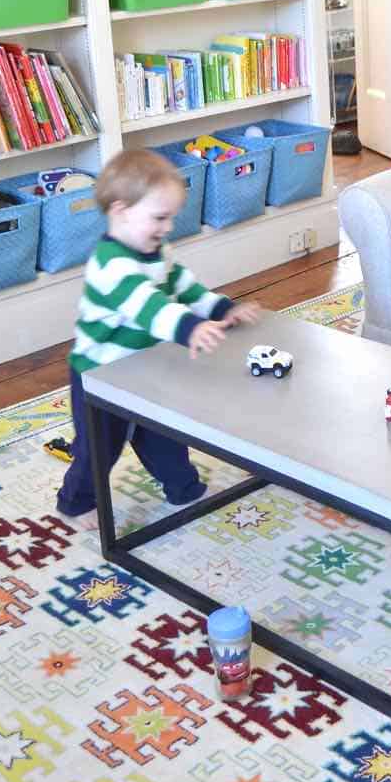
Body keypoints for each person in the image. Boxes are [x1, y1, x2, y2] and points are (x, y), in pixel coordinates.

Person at [45, 148, 260, 515]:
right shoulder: (110, 264)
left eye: (170, 218)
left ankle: (184, 488)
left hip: (143, 369)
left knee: (164, 434)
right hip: (99, 375)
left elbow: (185, 287)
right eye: (159, 218)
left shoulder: (158, 251)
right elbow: (147, 306)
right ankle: (76, 500)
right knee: (99, 450)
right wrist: (189, 328)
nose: (167, 227)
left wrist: (222, 309)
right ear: (121, 211)